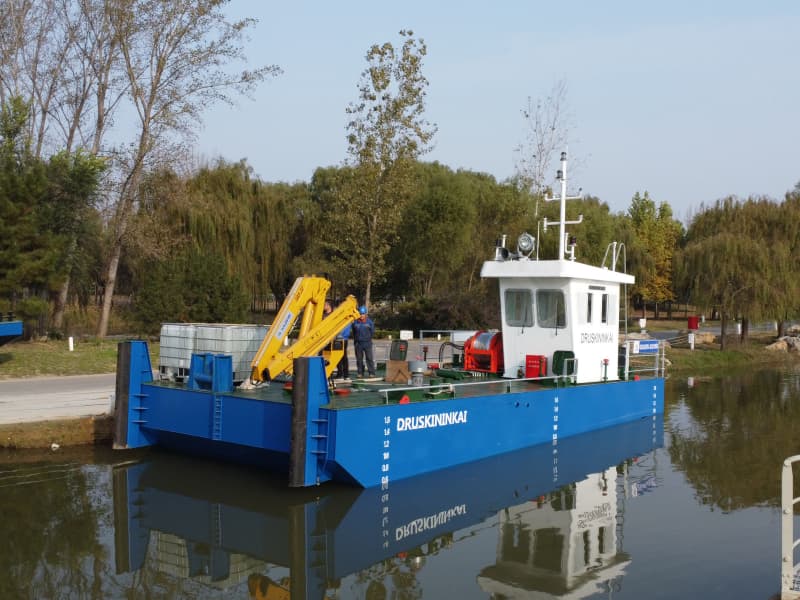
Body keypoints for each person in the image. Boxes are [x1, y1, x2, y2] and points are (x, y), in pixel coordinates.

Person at [351, 305, 375, 378]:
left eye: (363, 314)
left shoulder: (369, 322)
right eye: (360, 314)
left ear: (366, 314)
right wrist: (356, 341)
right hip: (358, 343)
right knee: (359, 359)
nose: (362, 315)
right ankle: (360, 372)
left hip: (367, 343)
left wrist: (368, 339)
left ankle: (371, 373)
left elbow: (372, 332)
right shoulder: (355, 322)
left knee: (369, 358)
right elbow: (354, 332)